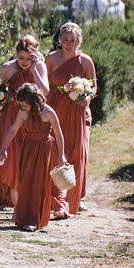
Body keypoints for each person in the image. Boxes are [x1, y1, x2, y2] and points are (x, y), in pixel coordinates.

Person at [0, 83, 66, 232]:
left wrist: (61, 155)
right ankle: (23, 217)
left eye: (25, 105)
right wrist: (3, 149)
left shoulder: (48, 112)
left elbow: (58, 134)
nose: (22, 108)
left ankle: (33, 220)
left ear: (34, 101)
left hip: (43, 150)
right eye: (21, 105)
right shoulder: (23, 113)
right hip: (27, 148)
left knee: (38, 183)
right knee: (25, 182)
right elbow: (12, 130)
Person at [0, 35, 48, 209]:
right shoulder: (7, 68)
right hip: (10, 117)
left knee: (28, 158)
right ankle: (17, 205)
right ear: (16, 54)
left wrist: (34, 69)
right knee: (13, 160)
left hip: (31, 117)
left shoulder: (40, 66)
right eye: (21, 57)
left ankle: (27, 202)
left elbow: (45, 91)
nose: (24, 62)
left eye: (29, 58)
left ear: (35, 56)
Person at [45, 22, 96, 216]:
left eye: (72, 40)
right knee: (56, 151)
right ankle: (56, 199)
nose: (68, 44)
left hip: (77, 112)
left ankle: (73, 199)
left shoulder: (85, 61)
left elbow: (93, 86)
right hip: (56, 111)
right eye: (65, 40)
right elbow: (44, 84)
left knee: (77, 154)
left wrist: (86, 98)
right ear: (60, 39)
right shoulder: (51, 58)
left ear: (78, 41)